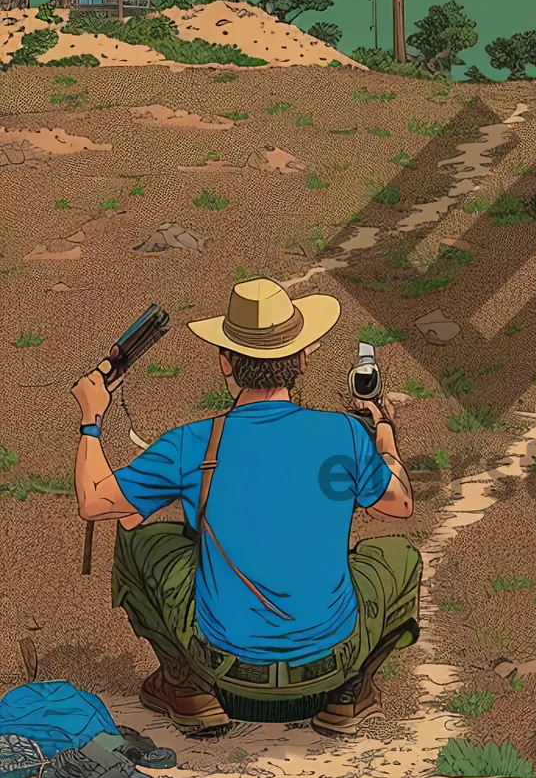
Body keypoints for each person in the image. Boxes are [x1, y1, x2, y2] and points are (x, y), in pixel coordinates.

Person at [70, 277, 421, 738]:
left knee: (140, 538)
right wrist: (383, 429)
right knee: (401, 558)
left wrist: (91, 419)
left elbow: (94, 501)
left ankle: (188, 687)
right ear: (300, 359)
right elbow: (399, 503)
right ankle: (349, 694)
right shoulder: (345, 435)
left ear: (225, 362)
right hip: (327, 665)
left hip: (229, 674)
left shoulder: (192, 442)